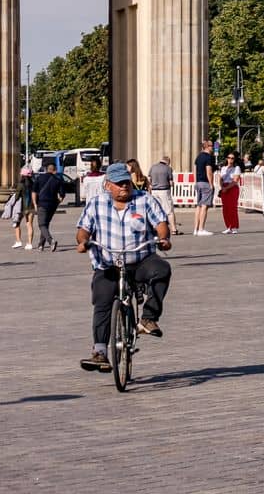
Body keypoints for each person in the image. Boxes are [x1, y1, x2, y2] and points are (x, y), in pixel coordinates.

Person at [75, 160, 172, 373]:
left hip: (140, 260)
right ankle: (100, 351)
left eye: (126, 182)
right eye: (118, 183)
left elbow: (160, 224)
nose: (124, 187)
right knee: (102, 300)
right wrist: (83, 241)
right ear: (108, 185)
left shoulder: (144, 200)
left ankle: (148, 318)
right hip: (108, 263)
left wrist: (163, 238)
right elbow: (83, 228)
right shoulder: (97, 204)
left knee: (162, 269)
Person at [34, 158, 65, 252]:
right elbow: (62, 194)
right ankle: (40, 245)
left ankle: (51, 241)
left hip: (42, 204)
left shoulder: (39, 178)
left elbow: (34, 192)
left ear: (46, 169)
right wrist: (58, 202)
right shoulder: (58, 179)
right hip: (52, 205)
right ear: (54, 169)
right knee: (45, 224)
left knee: (41, 224)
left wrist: (35, 203)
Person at [9, 164, 36, 250]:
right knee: (29, 225)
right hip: (31, 207)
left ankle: (18, 241)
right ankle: (29, 243)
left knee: (16, 223)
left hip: (22, 208)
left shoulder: (21, 185)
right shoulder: (34, 184)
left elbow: (16, 197)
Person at [192, 141, 217, 236]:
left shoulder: (198, 157)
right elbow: (209, 171)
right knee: (205, 206)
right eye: (212, 146)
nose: (213, 148)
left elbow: (194, 169)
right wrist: (211, 184)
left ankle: (196, 229)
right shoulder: (208, 157)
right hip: (206, 183)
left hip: (198, 182)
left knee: (198, 206)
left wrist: (195, 181)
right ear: (207, 147)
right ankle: (201, 229)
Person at [218, 150, 243, 234]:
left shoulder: (236, 168)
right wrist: (222, 187)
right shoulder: (223, 168)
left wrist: (227, 188)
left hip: (232, 188)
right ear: (226, 159)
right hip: (224, 187)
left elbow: (235, 180)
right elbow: (221, 179)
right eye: (229, 158)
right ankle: (228, 226)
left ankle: (234, 226)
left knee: (232, 208)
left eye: (232, 158)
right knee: (225, 208)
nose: (230, 159)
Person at [148, 154, 176, 228]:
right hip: (164, 190)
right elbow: (170, 182)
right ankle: (174, 229)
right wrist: (172, 184)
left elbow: (149, 179)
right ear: (168, 162)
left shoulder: (153, 167)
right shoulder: (168, 168)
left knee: (156, 210)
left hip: (154, 191)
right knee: (169, 211)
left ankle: (156, 228)